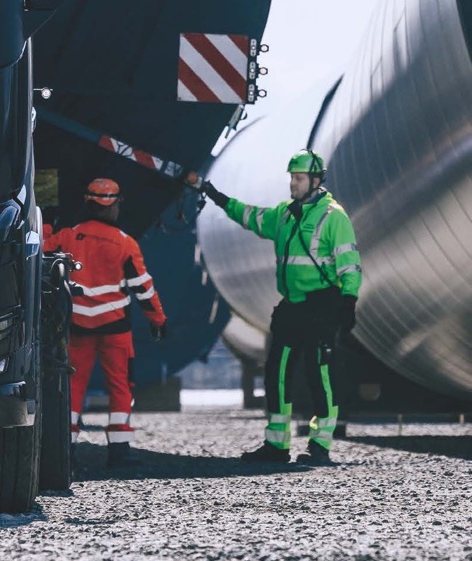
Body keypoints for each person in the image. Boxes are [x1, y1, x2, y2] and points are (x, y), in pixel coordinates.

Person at [190, 151, 361, 467]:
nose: (292, 184)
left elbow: (349, 264)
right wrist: (215, 196)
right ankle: (276, 445)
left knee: (318, 373)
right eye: (292, 179)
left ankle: (320, 445)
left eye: (298, 179)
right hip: (291, 307)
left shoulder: (333, 217)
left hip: (322, 304)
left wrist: (348, 301)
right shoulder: (284, 215)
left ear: (315, 181)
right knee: (276, 373)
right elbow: (249, 215)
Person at [45, 177, 167, 467]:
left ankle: (67, 449)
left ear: (87, 203)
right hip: (115, 328)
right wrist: (158, 318)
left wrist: (47, 226)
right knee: (121, 386)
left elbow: (41, 251)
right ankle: (120, 450)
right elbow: (142, 288)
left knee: (73, 386)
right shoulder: (125, 243)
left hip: (76, 327)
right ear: (116, 206)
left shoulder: (67, 236)